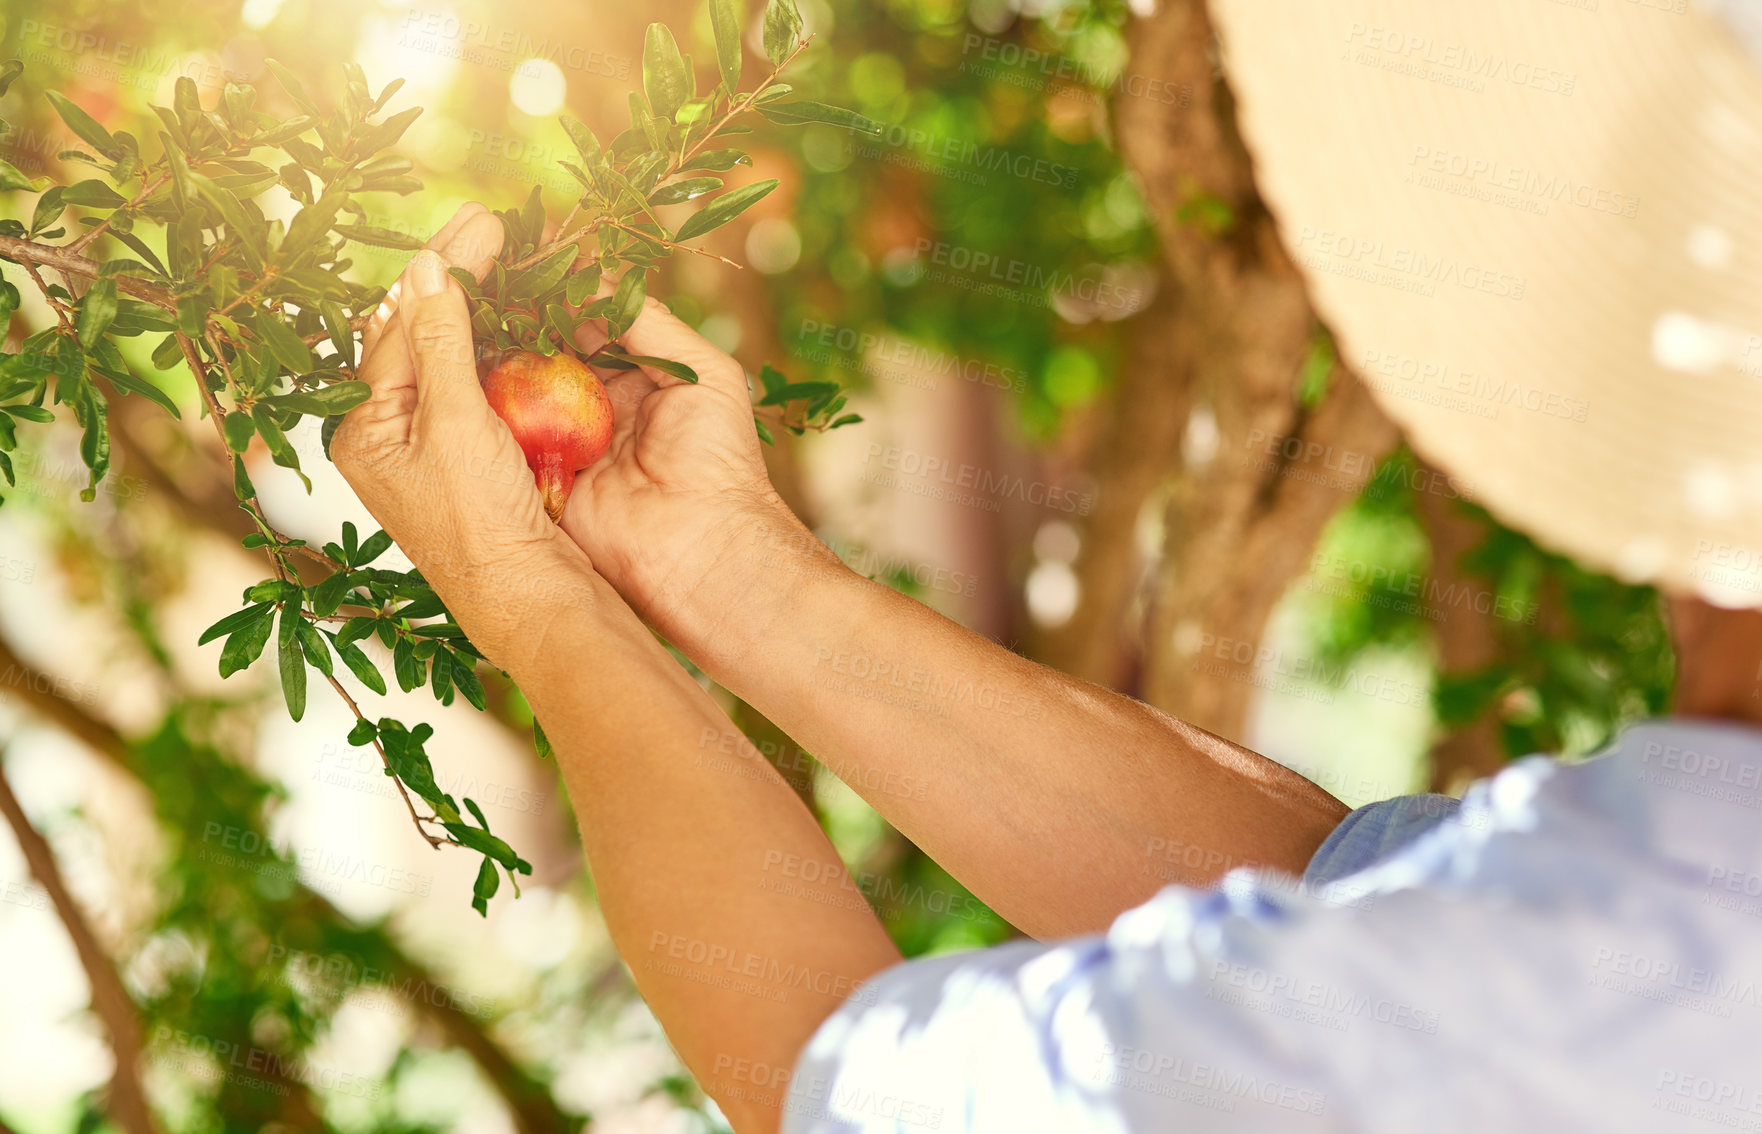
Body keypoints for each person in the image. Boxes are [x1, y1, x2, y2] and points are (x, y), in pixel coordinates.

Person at [331, 0, 1762, 1130]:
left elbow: (835, 1079)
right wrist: (730, 571)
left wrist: (533, 600)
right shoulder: (1646, 903)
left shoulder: (1605, 992)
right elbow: (1322, 884)